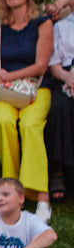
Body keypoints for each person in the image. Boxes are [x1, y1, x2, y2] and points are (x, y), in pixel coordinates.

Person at [0, 0, 55, 222]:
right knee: (3, 122)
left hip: (36, 89)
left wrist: (8, 77)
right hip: (6, 93)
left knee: (30, 125)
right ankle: (10, 190)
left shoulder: (43, 23)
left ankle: (41, 195)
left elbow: (41, 65)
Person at [45, 13, 74, 201]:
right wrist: (69, 79)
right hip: (63, 77)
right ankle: (58, 172)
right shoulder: (61, 26)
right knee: (58, 107)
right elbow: (53, 64)